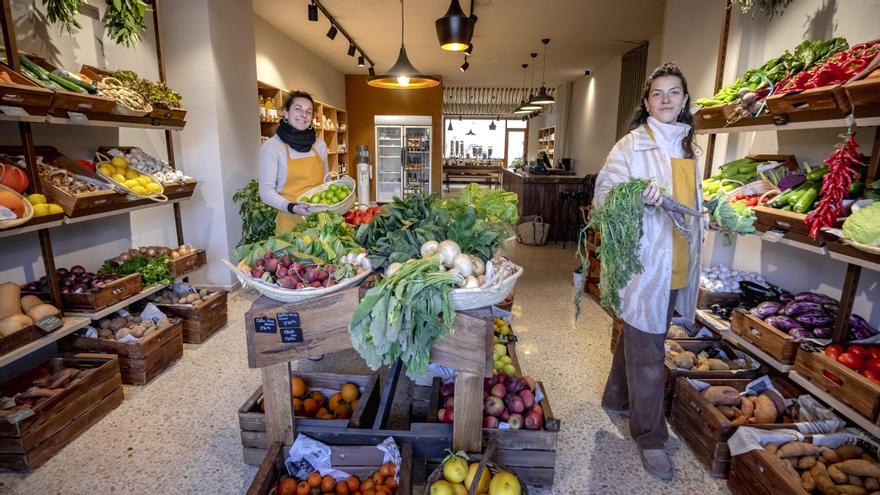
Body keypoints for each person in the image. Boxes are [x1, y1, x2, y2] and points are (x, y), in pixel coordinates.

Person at [595, 63, 703, 481]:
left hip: (679, 262)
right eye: (657, 94)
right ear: (646, 102)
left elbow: (694, 203)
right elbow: (603, 196)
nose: (666, 100)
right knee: (649, 349)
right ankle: (651, 436)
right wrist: (635, 195)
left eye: (674, 92)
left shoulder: (691, 148)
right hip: (645, 263)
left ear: (685, 99)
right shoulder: (630, 146)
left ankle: (616, 397)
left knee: (644, 334)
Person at [259, 90, 330, 235]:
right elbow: (266, 192)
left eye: (308, 111)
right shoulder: (273, 147)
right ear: (285, 113)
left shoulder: (320, 145)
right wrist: (293, 207)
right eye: (298, 109)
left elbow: (326, 182)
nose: (304, 115)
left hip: (320, 222)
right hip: (289, 224)